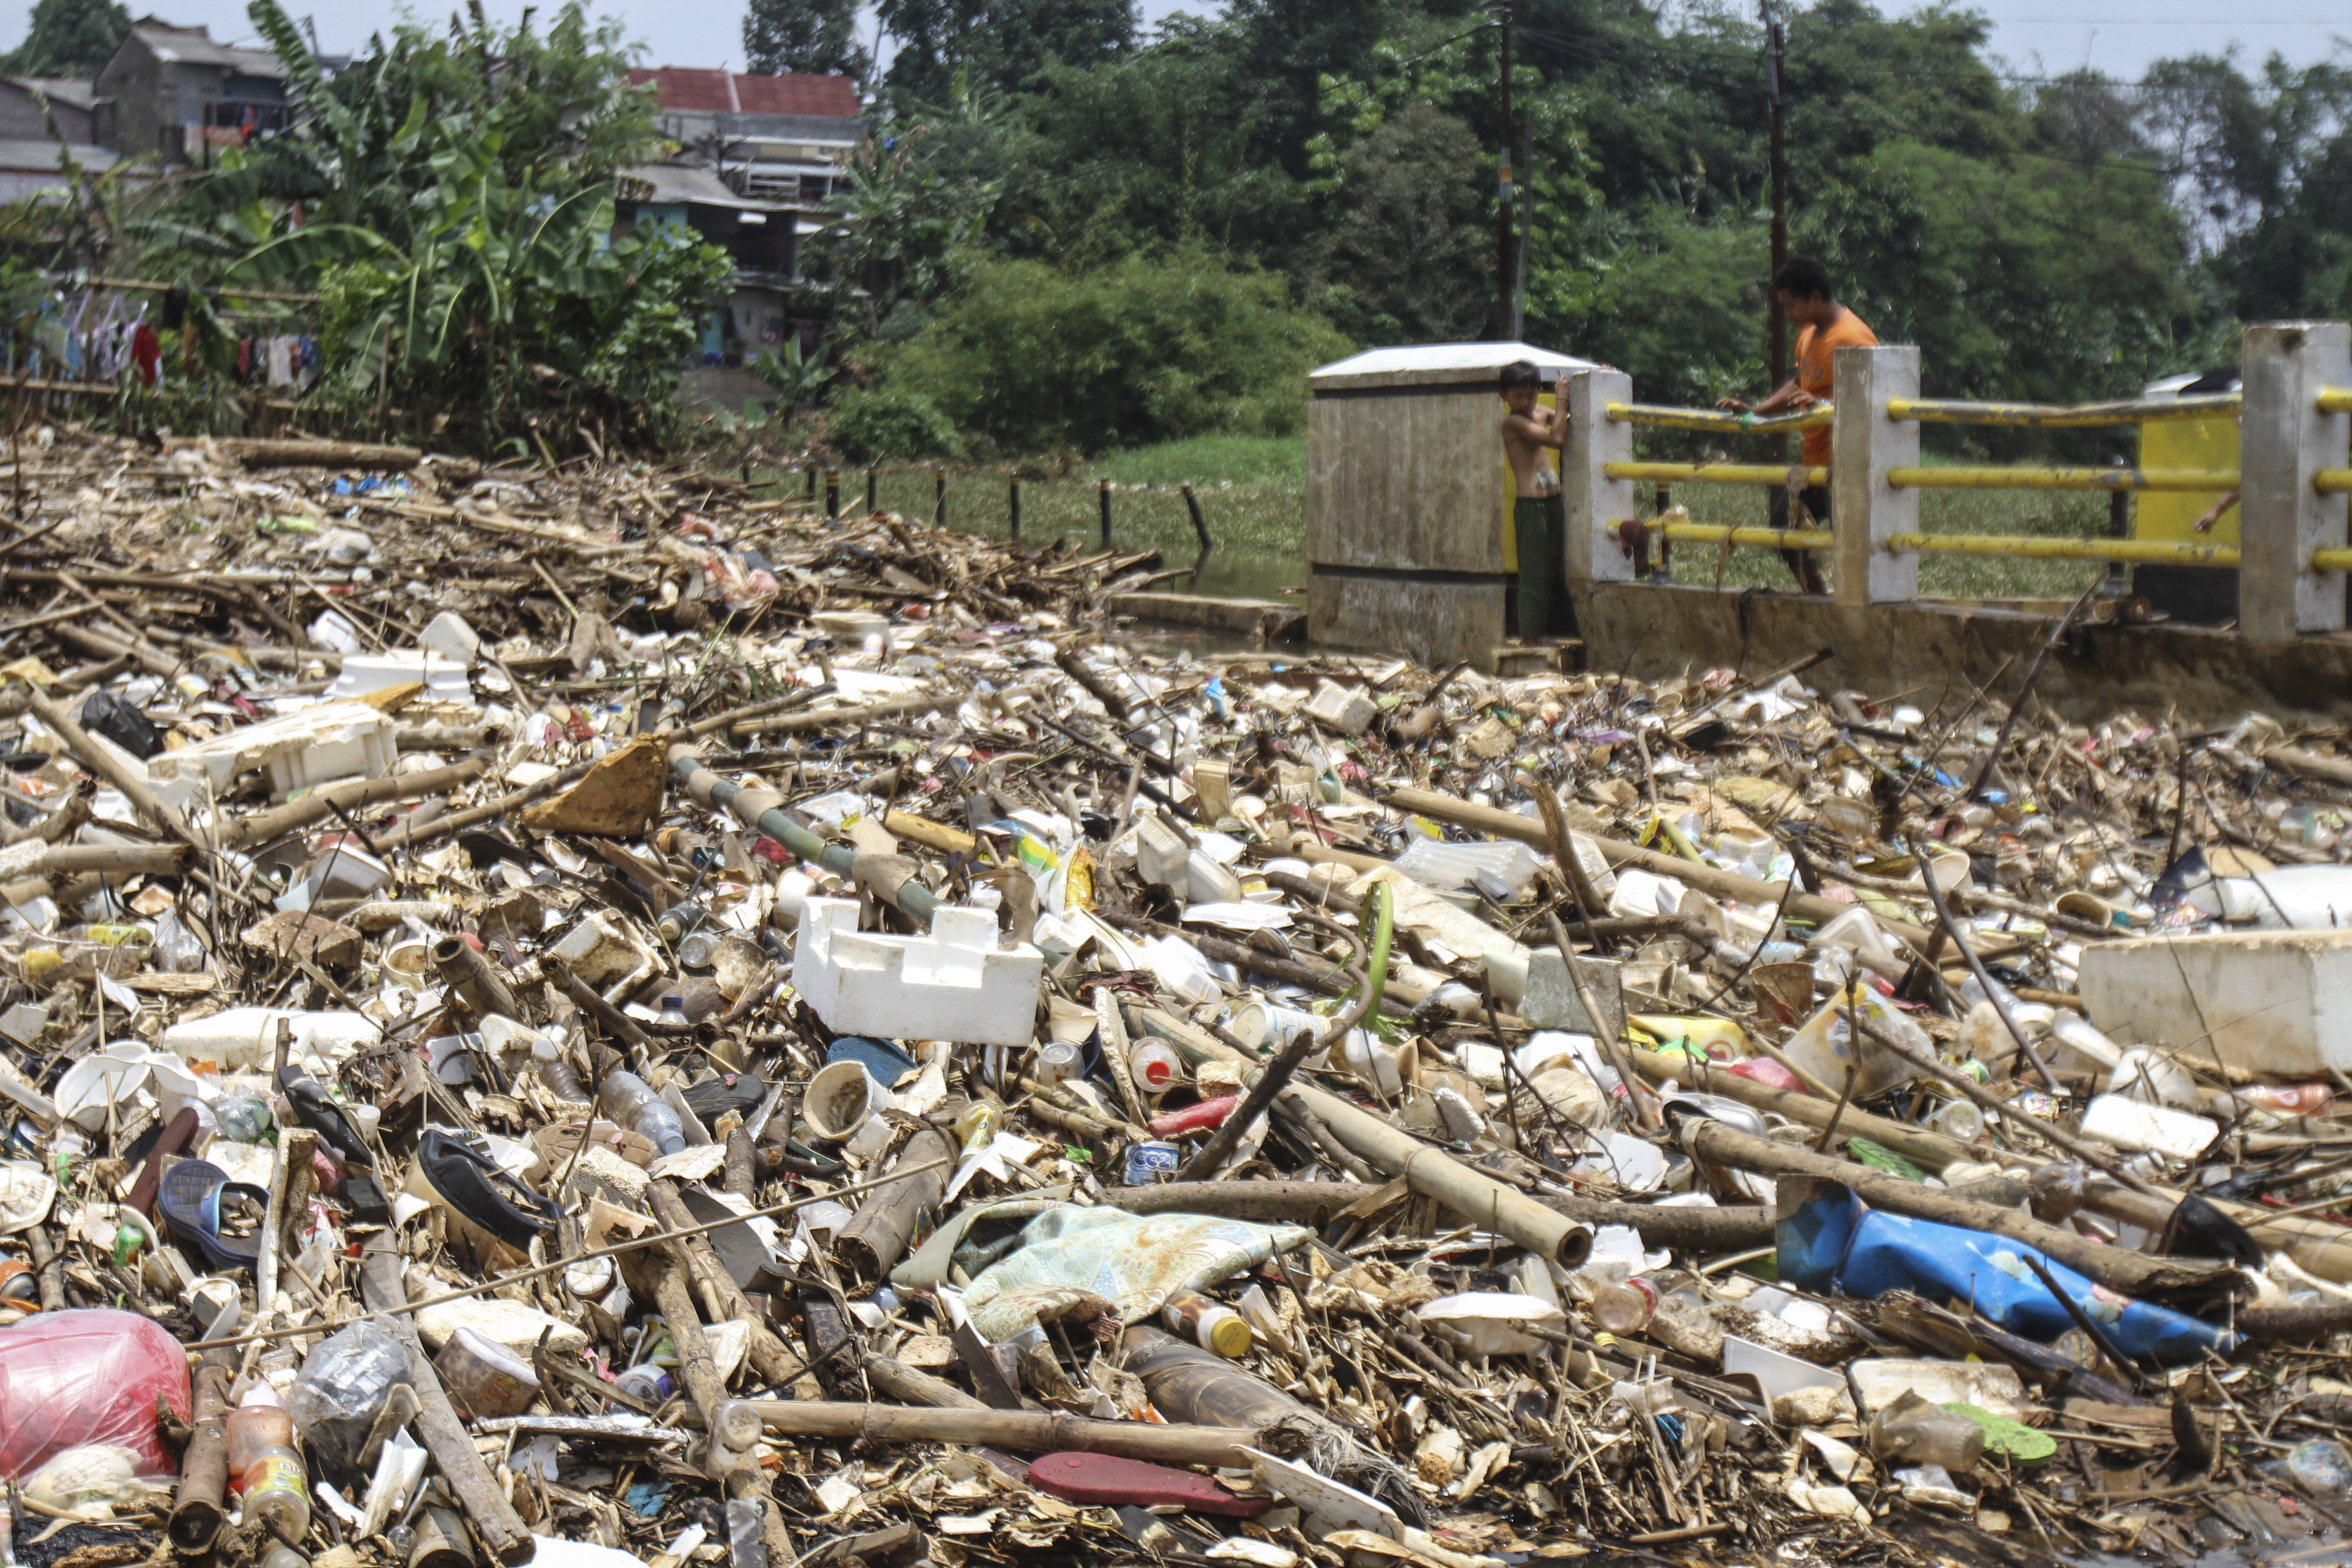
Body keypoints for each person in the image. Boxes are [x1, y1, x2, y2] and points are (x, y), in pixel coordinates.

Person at [1716, 256, 1876, 595]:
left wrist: (1821, 407)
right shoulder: (1807, 334)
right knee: (1785, 533)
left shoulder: (1855, 339)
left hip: (1847, 463)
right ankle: (1818, 601)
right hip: (1813, 462)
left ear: (1815, 298)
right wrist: (1757, 411)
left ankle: (1855, 608)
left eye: (1791, 306)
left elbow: (1870, 402)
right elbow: (1800, 384)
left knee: (1853, 547)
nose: (1788, 315)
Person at [1501, 361, 1571, 640]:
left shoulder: (1540, 412)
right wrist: (1562, 398)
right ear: (1504, 396)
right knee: (1534, 573)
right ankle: (1529, 638)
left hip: (1553, 501)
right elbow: (1557, 438)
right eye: (1518, 396)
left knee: (1555, 571)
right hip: (1532, 505)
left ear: (1539, 391)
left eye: (1530, 396)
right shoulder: (1513, 423)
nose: (1524, 402)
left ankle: (1548, 632)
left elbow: (1567, 420)